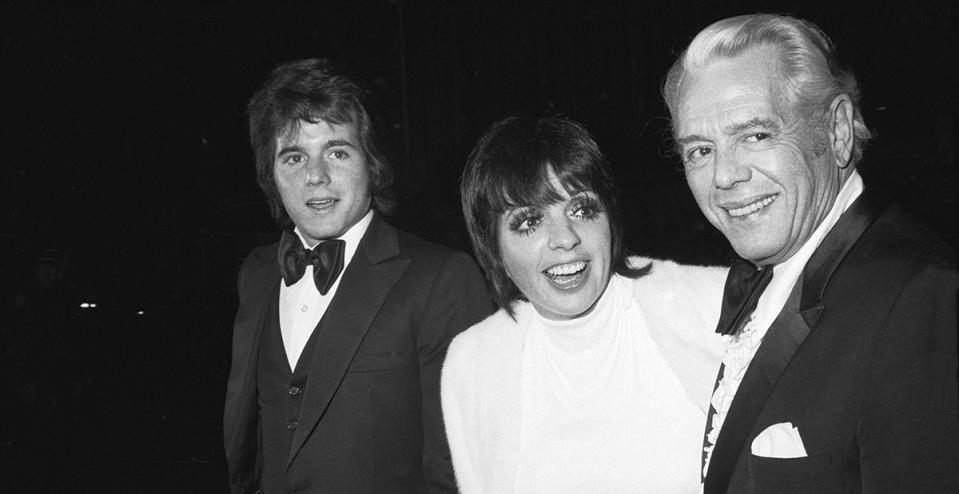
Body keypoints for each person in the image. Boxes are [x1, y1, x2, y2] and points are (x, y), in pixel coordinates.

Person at [663, 13, 959, 493]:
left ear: (838, 130)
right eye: (700, 150)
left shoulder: (922, 298)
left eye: (755, 135)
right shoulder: (780, 264)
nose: (723, 176)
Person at [223, 58, 493, 494]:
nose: (315, 176)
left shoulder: (442, 278)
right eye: (294, 157)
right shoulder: (256, 274)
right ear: (270, 176)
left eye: (337, 151)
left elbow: (462, 470)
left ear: (373, 163)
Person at [443, 116, 728, 493]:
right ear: (491, 246)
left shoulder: (713, 306)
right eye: (529, 222)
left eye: (582, 210)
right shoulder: (472, 361)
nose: (565, 238)